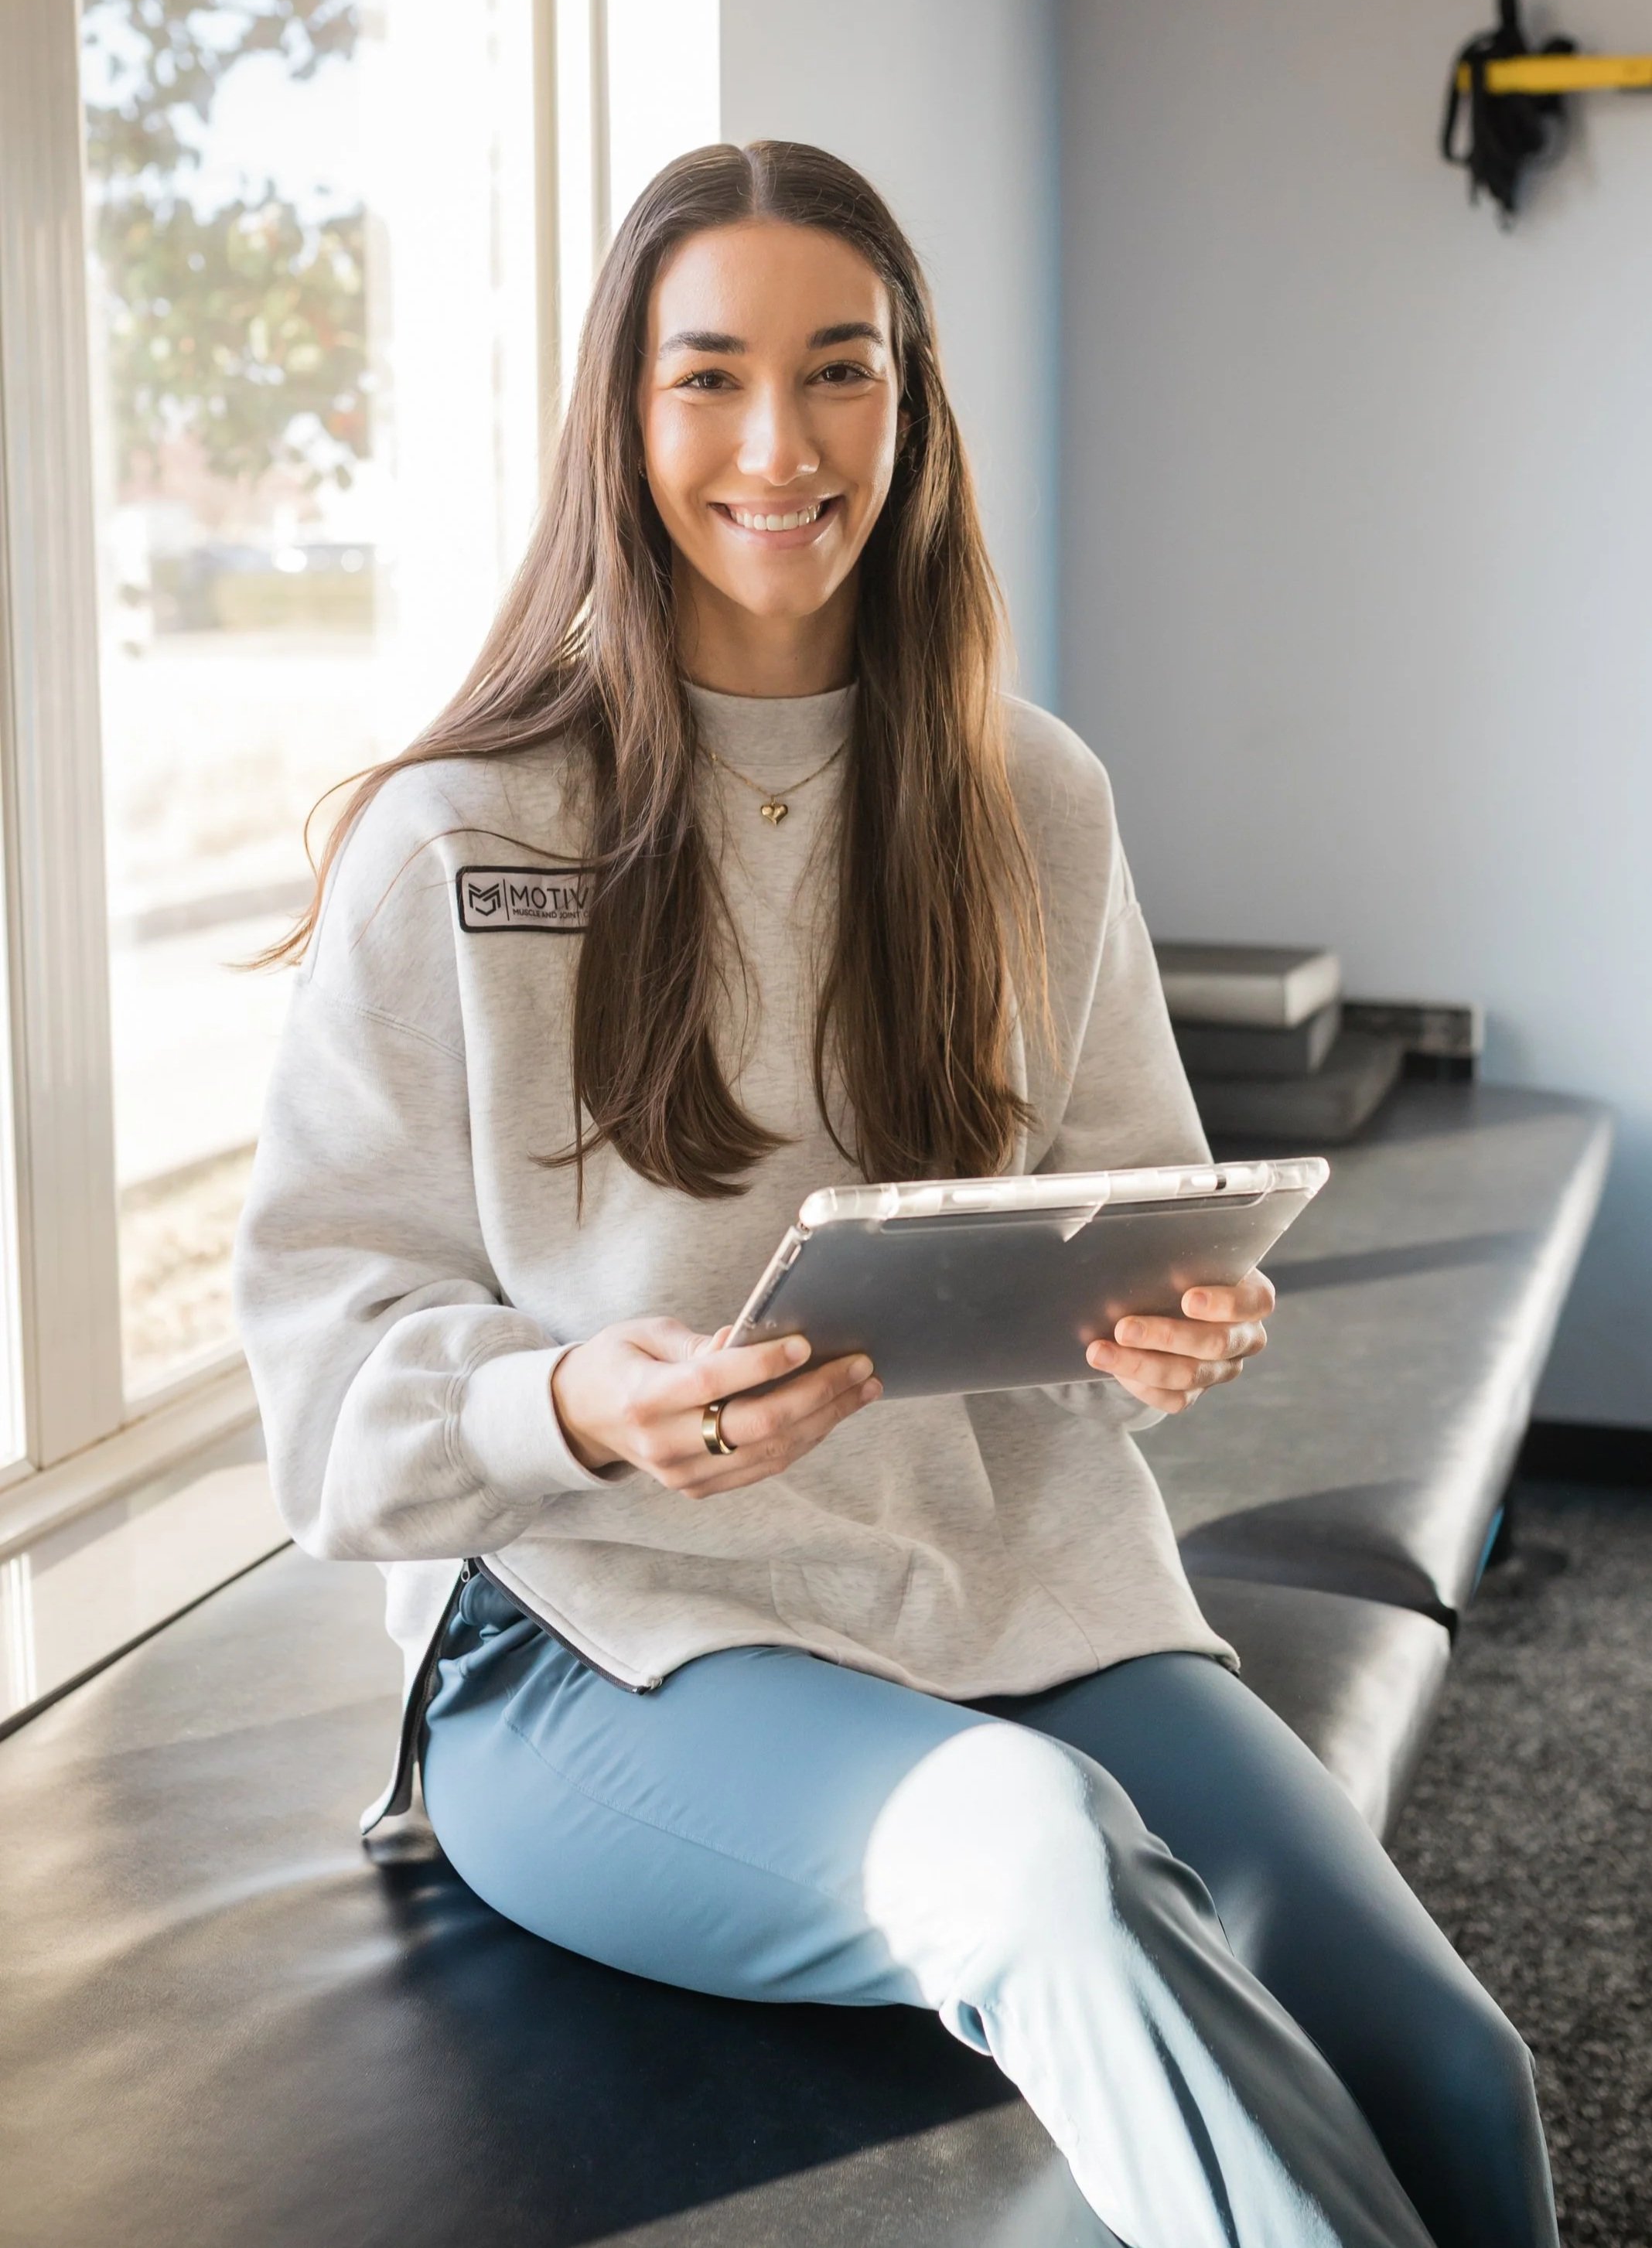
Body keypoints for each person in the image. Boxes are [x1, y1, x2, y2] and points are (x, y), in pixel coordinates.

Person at [234, 141, 1556, 2248]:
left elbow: (1124, 1214)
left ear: (914, 403)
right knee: (1040, 1858)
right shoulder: (458, 837)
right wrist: (575, 1401)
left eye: (841, 372)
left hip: (1008, 1587)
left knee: (1459, 2080)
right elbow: (325, 1397)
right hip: (598, 1638)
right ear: (623, 414)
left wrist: (1161, 1324)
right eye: (710, 378)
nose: (781, 442)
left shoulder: (1031, 794)